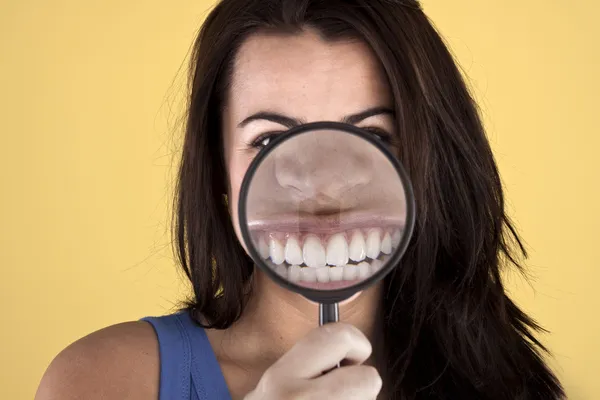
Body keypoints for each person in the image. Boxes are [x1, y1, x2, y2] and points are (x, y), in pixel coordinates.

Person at [35, 0, 565, 399]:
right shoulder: (104, 381)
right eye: (269, 141)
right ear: (220, 171)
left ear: (428, 164)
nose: (324, 190)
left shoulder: (509, 384)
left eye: (375, 138)